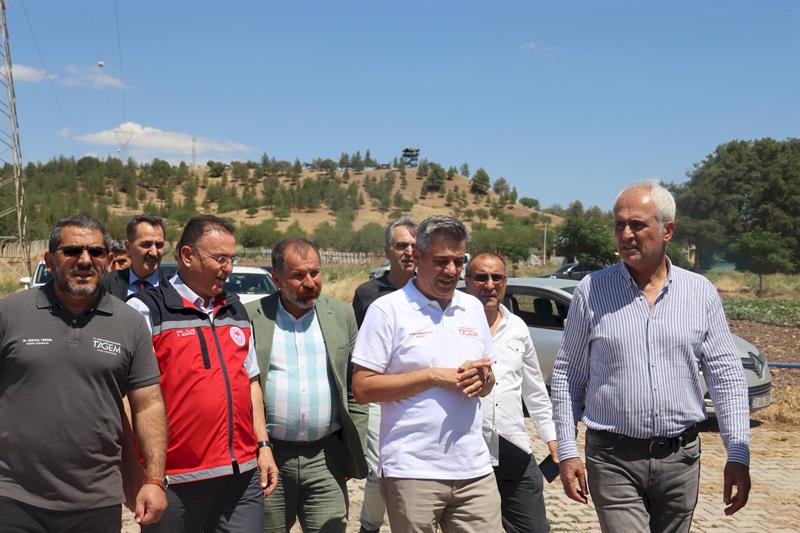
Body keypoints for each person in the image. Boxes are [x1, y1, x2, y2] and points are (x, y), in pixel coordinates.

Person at [552, 180, 751, 533]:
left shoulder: (700, 293)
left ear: (667, 230)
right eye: (619, 225)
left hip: (680, 460)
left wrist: (738, 454)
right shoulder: (592, 291)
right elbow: (568, 375)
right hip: (612, 458)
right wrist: (567, 450)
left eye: (637, 225)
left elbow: (726, 376)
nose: (625, 234)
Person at [0, 214, 168, 532]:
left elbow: (148, 404)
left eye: (96, 252)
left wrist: (154, 480)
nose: (85, 260)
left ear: (109, 260)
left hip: (96, 501)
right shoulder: (9, 314)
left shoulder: (129, 323)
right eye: (73, 251)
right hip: (14, 498)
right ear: (50, 260)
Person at [128, 215, 278, 532]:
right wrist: (143, 475)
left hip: (240, 477)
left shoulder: (236, 309)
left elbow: (251, 383)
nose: (228, 268)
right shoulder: (147, 309)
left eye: (232, 259)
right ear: (187, 255)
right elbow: (132, 398)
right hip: (174, 479)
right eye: (220, 258)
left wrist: (263, 446)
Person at [352, 215, 501, 533]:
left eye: (458, 261)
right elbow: (363, 388)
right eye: (441, 261)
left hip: (474, 468)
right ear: (417, 259)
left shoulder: (473, 308)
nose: (452, 271)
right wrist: (431, 376)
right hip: (412, 469)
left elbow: (489, 380)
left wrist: (483, 380)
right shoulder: (387, 310)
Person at [245, 238, 368, 533]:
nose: (310, 283)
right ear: (277, 279)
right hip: (269, 457)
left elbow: (353, 388)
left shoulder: (342, 315)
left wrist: (353, 450)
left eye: (315, 272)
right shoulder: (251, 317)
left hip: (326, 458)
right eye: (298, 275)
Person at [464, 252, 558, 533]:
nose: (489, 285)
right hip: (468, 450)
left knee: (534, 527)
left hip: (513, 446)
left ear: (505, 282)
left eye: (497, 277)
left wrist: (552, 438)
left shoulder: (517, 327)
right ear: (467, 281)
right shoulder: (452, 326)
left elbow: (534, 389)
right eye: (481, 277)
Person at [352, 217, 417, 533]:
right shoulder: (367, 294)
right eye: (401, 245)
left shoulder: (433, 292)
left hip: (421, 394)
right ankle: (370, 526)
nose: (409, 251)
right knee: (380, 469)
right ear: (388, 250)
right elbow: (354, 348)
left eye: (414, 245)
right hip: (378, 397)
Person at [104, 215, 170, 299]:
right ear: (128, 247)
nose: (154, 253)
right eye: (146, 244)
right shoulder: (108, 284)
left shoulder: (173, 286)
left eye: (159, 245)